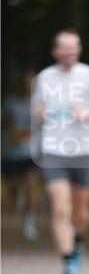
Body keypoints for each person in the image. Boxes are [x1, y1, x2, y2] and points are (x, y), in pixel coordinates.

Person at [32, 29, 89, 274]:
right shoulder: (44, 78)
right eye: (64, 47)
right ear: (55, 51)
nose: (69, 51)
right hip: (54, 149)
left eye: (74, 46)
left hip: (85, 149)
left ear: (79, 49)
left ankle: (78, 243)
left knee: (80, 212)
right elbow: (36, 108)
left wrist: (88, 114)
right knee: (60, 208)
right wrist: (45, 112)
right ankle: (68, 262)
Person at [2, 70, 41, 240]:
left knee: (31, 185)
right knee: (13, 188)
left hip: (31, 154)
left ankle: (29, 222)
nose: (27, 86)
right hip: (10, 153)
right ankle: (17, 194)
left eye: (31, 83)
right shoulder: (10, 104)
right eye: (25, 82)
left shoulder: (42, 104)